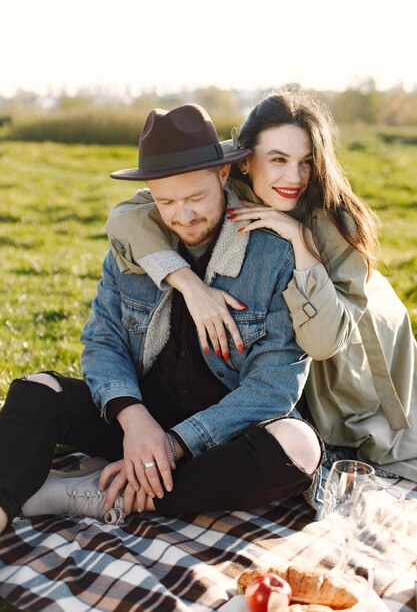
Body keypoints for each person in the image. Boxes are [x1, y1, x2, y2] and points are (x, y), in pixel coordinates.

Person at [0, 103, 323, 536]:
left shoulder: (274, 252)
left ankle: (104, 490)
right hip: (141, 422)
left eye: (195, 198)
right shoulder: (135, 245)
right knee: (36, 391)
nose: (183, 215)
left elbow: (273, 388)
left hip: (218, 438)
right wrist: (134, 420)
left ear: (223, 176)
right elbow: (103, 342)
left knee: (297, 446)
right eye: (166, 200)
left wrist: (173, 445)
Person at [106, 87, 417, 482]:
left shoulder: (335, 222)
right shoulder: (221, 177)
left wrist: (302, 245)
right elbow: (126, 218)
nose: (295, 177)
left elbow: (324, 342)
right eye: (278, 160)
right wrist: (189, 285)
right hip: (288, 347)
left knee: (359, 442)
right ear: (245, 160)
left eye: (307, 161)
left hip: (352, 345)